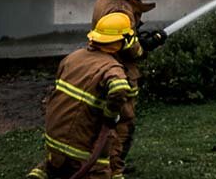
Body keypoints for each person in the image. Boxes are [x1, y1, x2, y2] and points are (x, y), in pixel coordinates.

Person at [27, 12, 138, 179]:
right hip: (81, 150)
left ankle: (42, 172)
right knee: (100, 171)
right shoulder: (111, 68)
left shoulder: (73, 57)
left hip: (53, 142)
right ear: (121, 41)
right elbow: (119, 88)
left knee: (53, 167)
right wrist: (110, 116)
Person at [91, 0, 163, 174]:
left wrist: (137, 35)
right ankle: (113, 169)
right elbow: (128, 48)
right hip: (119, 69)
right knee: (122, 124)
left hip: (104, 66)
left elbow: (117, 35)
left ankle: (110, 165)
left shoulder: (105, 0)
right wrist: (147, 45)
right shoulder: (121, 9)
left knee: (109, 122)